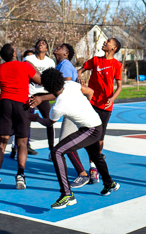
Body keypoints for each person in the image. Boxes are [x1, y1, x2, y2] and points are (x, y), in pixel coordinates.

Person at [27, 68, 119, 209]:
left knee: (57, 152)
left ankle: (67, 194)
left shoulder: (58, 106)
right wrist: (87, 107)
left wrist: (36, 118)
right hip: (96, 122)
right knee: (96, 156)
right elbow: (90, 91)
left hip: (90, 129)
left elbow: (48, 122)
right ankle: (109, 183)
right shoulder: (70, 85)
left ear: (46, 87)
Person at [32, 43, 90, 188]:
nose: (57, 47)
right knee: (75, 140)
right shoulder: (62, 65)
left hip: (72, 107)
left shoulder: (64, 66)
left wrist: (41, 98)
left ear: (66, 53)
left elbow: (65, 91)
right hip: (73, 107)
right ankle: (96, 168)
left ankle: (83, 174)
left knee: (65, 141)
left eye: (61, 47)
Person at [0, 43, 43, 191]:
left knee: (1, 143)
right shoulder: (25, 66)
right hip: (22, 104)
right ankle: (20, 175)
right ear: (14, 53)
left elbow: (2, 84)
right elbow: (40, 80)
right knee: (22, 142)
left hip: (5, 103)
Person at [77, 38, 123, 183]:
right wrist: (79, 77)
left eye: (108, 42)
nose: (104, 42)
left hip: (105, 106)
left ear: (114, 48)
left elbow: (119, 86)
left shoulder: (117, 65)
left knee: (99, 138)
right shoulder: (96, 60)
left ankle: (94, 167)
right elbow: (80, 70)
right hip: (91, 103)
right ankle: (93, 165)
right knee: (90, 135)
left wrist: (112, 98)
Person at [24, 40, 57, 154]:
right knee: (27, 119)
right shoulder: (28, 59)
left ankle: (52, 148)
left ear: (46, 49)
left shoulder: (50, 62)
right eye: (39, 43)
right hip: (30, 93)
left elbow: (52, 79)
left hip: (44, 94)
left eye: (43, 43)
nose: (41, 44)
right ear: (36, 47)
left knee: (49, 119)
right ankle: (26, 145)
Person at [10, 49, 39, 159]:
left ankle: (26, 145)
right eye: (28, 57)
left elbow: (38, 80)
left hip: (30, 97)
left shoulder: (31, 69)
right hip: (18, 99)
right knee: (17, 124)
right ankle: (15, 147)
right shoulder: (21, 67)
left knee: (27, 123)